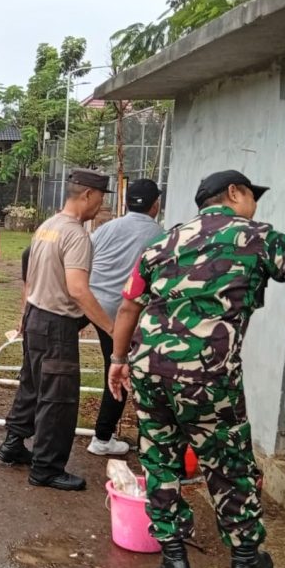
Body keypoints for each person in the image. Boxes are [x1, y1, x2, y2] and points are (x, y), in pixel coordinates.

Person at [108, 170, 285, 568]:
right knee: (229, 462)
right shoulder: (259, 237)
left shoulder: (162, 242)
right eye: (252, 196)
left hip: (148, 369)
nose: (255, 206)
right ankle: (246, 558)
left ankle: (174, 558)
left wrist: (118, 360)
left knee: (159, 457)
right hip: (209, 377)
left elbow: (128, 308)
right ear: (234, 193)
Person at [0, 170, 115, 491]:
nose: (101, 206)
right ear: (88, 195)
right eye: (101, 199)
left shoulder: (47, 227)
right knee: (58, 397)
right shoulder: (76, 235)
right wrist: (111, 328)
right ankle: (46, 468)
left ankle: (13, 443)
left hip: (36, 316)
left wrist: (24, 314)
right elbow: (78, 289)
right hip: (56, 324)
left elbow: (30, 277)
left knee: (32, 385)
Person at [83, 178, 164, 456]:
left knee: (55, 352)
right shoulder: (160, 236)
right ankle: (102, 439)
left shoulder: (106, 228)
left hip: (89, 302)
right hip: (120, 312)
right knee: (118, 368)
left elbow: (86, 258)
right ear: (156, 204)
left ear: (126, 202)